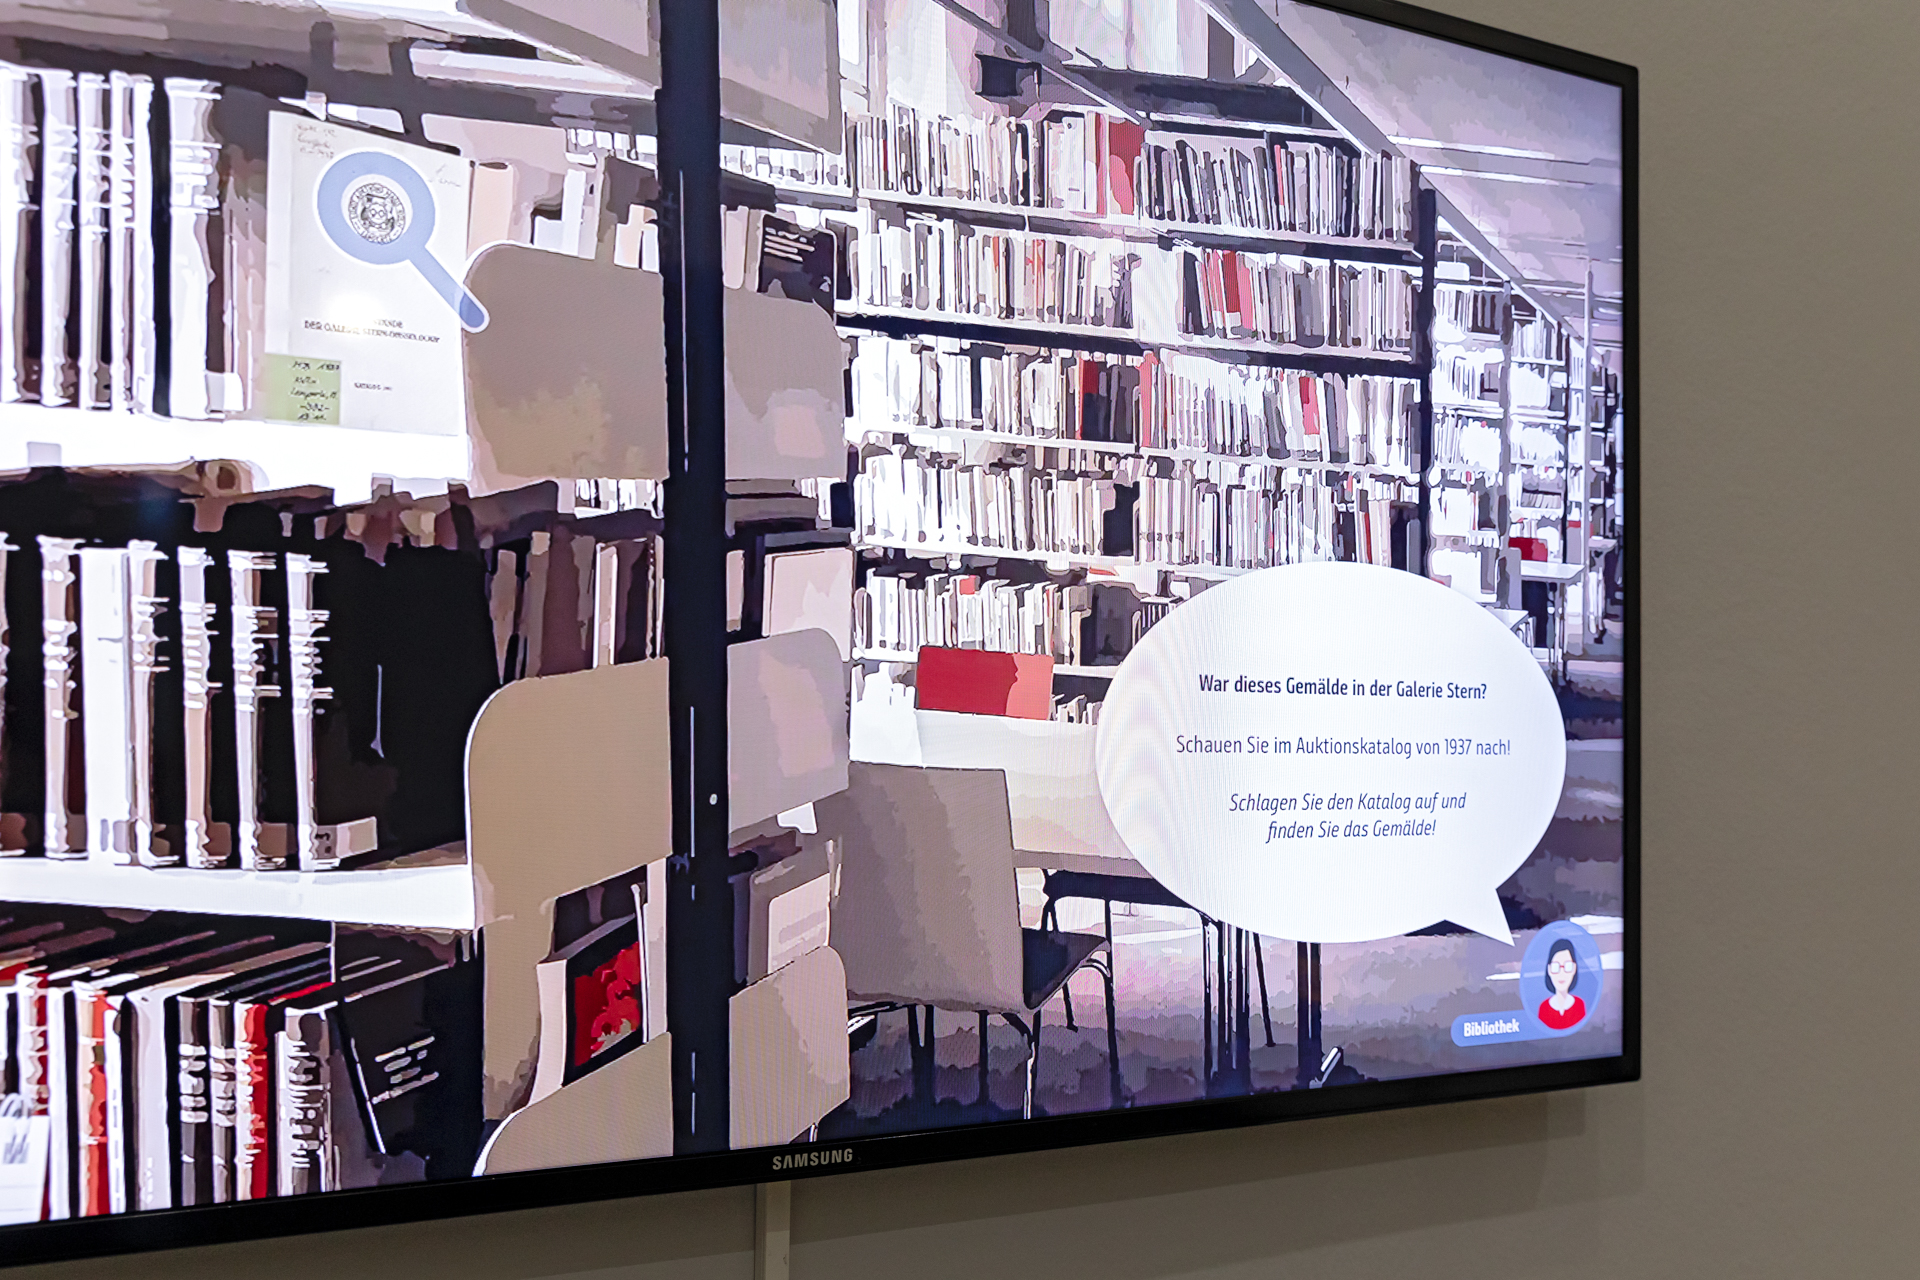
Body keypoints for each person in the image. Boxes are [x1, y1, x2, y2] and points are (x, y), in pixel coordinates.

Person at [1537, 938, 1587, 1030]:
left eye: (1567, 966)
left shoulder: (1579, 1005)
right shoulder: (1544, 1008)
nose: (1562, 973)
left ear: (1574, 968)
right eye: (1556, 967)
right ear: (1549, 970)